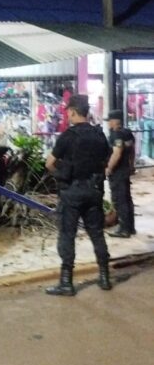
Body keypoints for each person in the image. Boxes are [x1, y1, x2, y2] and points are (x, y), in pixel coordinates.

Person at [44, 94, 112, 296]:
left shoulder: (67, 136)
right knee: (97, 234)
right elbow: (105, 162)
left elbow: (49, 163)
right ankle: (105, 277)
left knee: (67, 235)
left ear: (72, 111)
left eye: (68, 112)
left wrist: (62, 175)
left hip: (71, 192)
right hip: (94, 191)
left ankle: (66, 283)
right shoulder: (100, 135)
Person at [105, 109, 136, 238]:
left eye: (109, 121)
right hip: (125, 170)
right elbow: (132, 149)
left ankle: (123, 229)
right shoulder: (127, 133)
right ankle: (130, 227)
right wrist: (131, 165)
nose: (108, 124)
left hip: (118, 172)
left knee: (119, 200)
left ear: (114, 121)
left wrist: (109, 168)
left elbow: (117, 153)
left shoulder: (116, 135)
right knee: (127, 199)